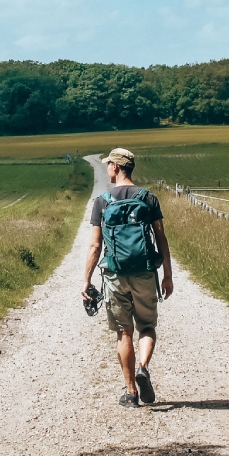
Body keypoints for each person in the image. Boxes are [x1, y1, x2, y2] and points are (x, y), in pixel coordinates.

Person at [81, 148, 173, 408]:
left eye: (109, 164)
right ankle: (143, 367)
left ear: (116, 167)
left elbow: (95, 246)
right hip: (145, 272)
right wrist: (167, 275)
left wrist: (87, 280)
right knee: (147, 326)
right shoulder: (148, 198)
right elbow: (161, 238)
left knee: (124, 333)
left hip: (115, 274)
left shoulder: (102, 202)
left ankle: (131, 392)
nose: (107, 168)